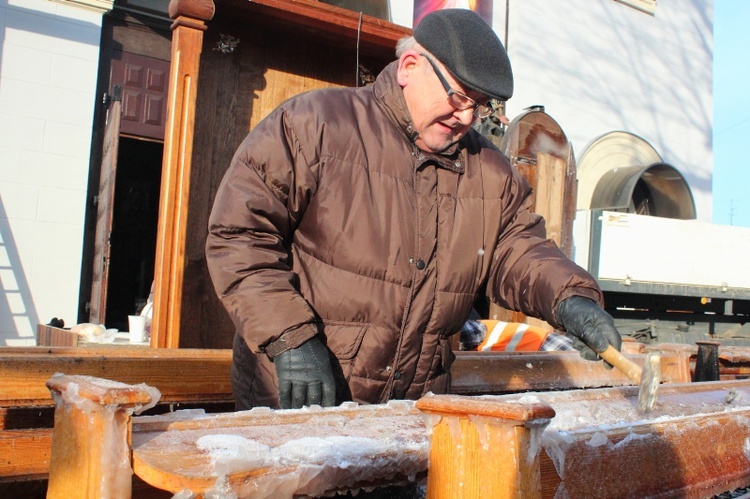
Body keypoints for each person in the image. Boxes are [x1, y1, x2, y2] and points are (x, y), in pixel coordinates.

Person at [206, 8, 621, 411]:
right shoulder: (314, 125)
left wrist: (571, 299)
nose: (467, 116)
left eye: (481, 105)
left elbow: (518, 252)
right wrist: (289, 337)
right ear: (409, 67)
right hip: (298, 394)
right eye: (459, 96)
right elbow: (240, 234)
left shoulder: (491, 172)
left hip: (410, 410)